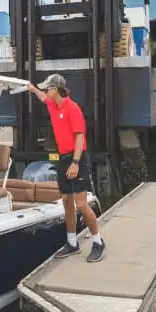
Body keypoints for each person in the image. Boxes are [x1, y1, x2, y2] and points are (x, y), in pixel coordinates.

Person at [25, 73, 106, 262]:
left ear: (56, 89)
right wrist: (32, 89)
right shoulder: (53, 105)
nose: (46, 91)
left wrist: (76, 163)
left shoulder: (72, 108)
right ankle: (72, 242)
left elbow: (80, 137)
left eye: (48, 88)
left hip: (76, 157)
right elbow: (42, 97)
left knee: (81, 204)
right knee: (66, 201)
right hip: (62, 158)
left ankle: (98, 241)